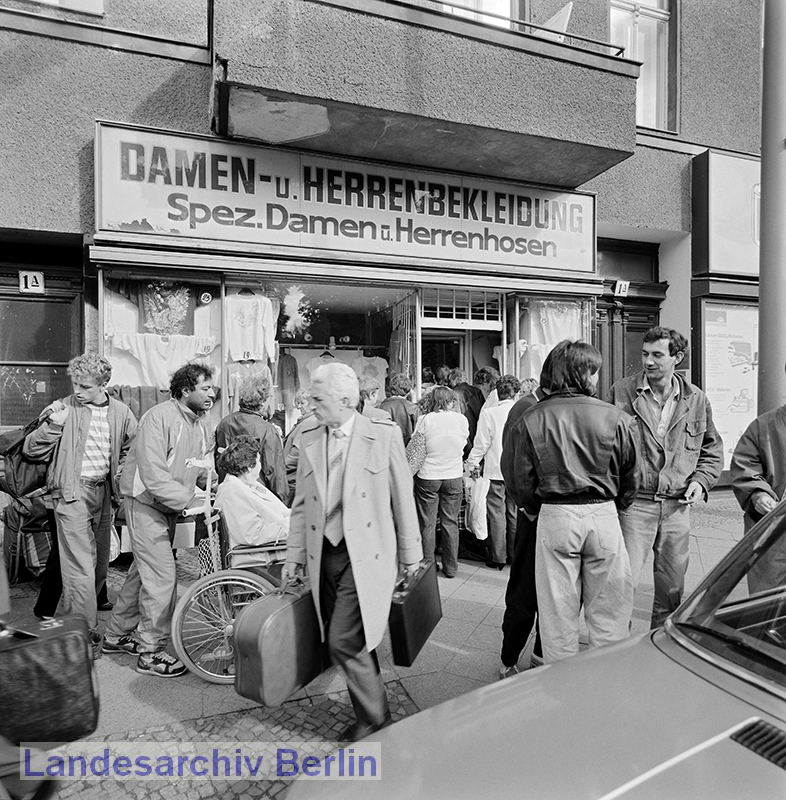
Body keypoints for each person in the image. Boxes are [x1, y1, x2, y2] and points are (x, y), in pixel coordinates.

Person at [281, 362, 423, 742]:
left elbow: (402, 497)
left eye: (318, 399)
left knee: (343, 639)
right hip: (323, 557)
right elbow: (301, 505)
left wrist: (411, 556)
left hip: (367, 558)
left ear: (344, 400)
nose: (311, 405)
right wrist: (294, 556)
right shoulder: (310, 437)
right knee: (354, 639)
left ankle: (376, 721)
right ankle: (371, 713)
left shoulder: (383, 434)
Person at [503, 341, 638, 665]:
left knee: (557, 617)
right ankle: (607, 680)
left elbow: (519, 480)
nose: (598, 377)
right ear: (584, 374)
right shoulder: (617, 418)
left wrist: (534, 507)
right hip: (603, 511)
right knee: (610, 615)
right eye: (595, 371)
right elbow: (632, 476)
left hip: (555, 513)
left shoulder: (532, 417)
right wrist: (616, 505)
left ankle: (560, 685)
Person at [102, 363, 215, 677]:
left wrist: (215, 486)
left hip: (169, 506)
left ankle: (115, 635)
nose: (212, 393)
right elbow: (152, 473)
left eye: (212, 387)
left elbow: (199, 465)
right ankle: (150, 652)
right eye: (205, 388)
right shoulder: (158, 417)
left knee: (143, 573)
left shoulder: (200, 422)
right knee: (162, 577)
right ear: (185, 390)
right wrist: (190, 499)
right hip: (145, 503)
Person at [606, 326, 723, 628]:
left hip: (676, 509)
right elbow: (604, 447)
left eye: (657, 355)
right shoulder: (621, 392)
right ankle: (617, 645)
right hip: (634, 505)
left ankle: (659, 645)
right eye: (645, 354)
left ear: (677, 358)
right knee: (622, 585)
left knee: (671, 591)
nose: (648, 361)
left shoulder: (696, 399)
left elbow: (711, 449)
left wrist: (700, 481)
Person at [23, 353, 137, 656]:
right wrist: (53, 425)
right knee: (79, 569)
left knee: (99, 565)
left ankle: (77, 623)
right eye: (75, 384)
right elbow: (31, 449)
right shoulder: (62, 407)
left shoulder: (121, 412)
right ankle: (82, 634)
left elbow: (132, 448)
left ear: (103, 384)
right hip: (71, 494)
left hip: (103, 494)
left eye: (85, 386)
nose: (78, 391)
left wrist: (121, 478)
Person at [498, 377, 545, 676]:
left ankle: (539, 654)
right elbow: (511, 461)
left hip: (553, 512)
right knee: (525, 590)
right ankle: (510, 658)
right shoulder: (527, 407)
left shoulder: (554, 407)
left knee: (551, 593)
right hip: (535, 513)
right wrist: (526, 505)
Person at [730, 389, 786, 592]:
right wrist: (758, 493)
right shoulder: (763, 426)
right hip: (773, 528)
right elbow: (745, 465)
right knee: (766, 596)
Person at [411, 386, 469, 577]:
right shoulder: (462, 420)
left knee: (427, 523)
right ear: (451, 402)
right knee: (450, 522)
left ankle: (428, 565)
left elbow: (416, 447)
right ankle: (451, 567)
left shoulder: (425, 419)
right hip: (453, 475)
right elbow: (463, 443)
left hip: (428, 476)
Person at [466, 374, 521, 569]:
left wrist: (472, 464)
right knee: (514, 513)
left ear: (497, 392)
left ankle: (498, 556)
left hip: (495, 469)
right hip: (515, 469)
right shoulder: (521, 411)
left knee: (496, 513)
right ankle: (515, 554)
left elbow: (481, 444)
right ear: (516, 393)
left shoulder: (489, 413)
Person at [215, 436, 289, 567]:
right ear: (249, 467)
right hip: (258, 554)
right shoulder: (234, 492)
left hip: (266, 547)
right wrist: (290, 525)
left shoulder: (244, 485)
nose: (260, 465)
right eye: (258, 461)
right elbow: (252, 534)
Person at [215, 374, 287, 501]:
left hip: (229, 495)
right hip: (257, 498)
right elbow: (276, 474)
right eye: (269, 397)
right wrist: (282, 504)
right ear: (263, 401)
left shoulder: (224, 424)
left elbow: (219, 464)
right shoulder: (267, 430)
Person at [283, 389, 319, 504]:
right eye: (298, 403)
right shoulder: (307, 421)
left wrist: (280, 470)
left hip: (292, 480)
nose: (299, 407)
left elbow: (296, 454)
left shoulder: (309, 422)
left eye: (302, 403)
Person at [448, 368, 484, 458]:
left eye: (450, 381)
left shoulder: (452, 393)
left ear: (455, 379)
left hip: (461, 430)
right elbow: (483, 410)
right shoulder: (477, 391)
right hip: (476, 428)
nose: (449, 384)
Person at [379, 373, 419, 447]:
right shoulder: (412, 408)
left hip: (387, 448)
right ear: (408, 390)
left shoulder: (382, 406)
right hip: (407, 448)